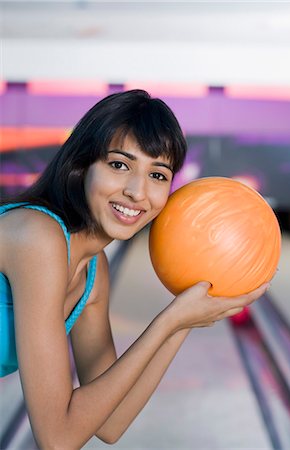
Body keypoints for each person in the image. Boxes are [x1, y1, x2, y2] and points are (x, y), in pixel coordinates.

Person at [0, 89, 269, 448]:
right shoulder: (38, 238)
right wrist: (168, 322)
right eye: (119, 165)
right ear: (81, 165)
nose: (136, 192)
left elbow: (110, 423)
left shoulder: (93, 272)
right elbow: (57, 438)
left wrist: (181, 322)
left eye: (157, 175)